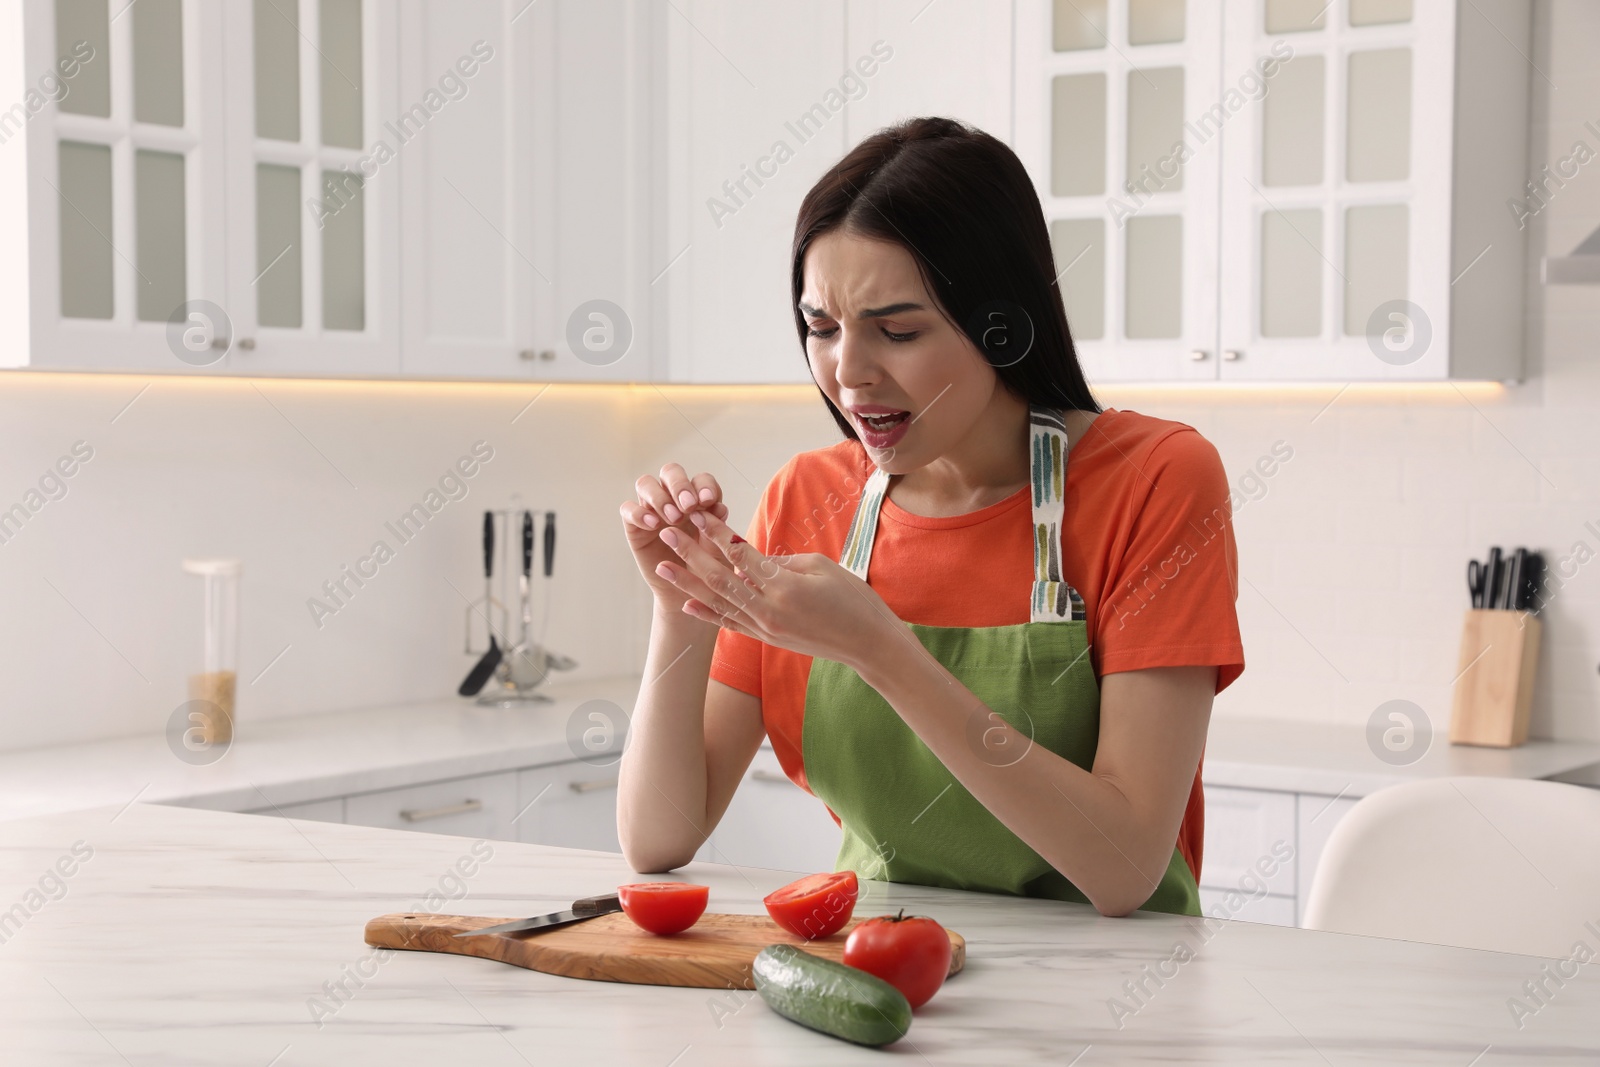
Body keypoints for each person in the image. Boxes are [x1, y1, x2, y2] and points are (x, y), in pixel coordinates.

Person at [616, 116, 1244, 916]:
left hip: (1111, 1000)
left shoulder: (1156, 480)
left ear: (1002, 323)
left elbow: (1125, 867)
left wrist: (881, 650)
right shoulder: (805, 498)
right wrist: (681, 609)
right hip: (886, 977)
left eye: (898, 330)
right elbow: (658, 836)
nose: (848, 372)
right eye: (821, 327)